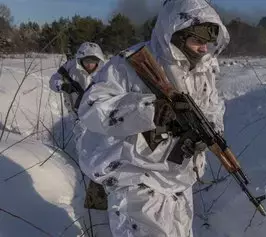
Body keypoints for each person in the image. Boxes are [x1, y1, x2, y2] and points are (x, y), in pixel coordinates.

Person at [77, 0, 230, 236]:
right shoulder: (129, 64)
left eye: (208, 42)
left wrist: (208, 133)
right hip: (137, 178)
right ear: (177, 34)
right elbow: (91, 109)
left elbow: (213, 107)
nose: (204, 49)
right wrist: (148, 110)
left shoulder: (204, 69)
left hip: (180, 180)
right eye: (198, 41)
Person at [49, 42, 105, 122]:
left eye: (93, 61)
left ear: (98, 61)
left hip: (95, 115)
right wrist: (63, 86)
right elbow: (53, 81)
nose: (89, 65)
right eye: (86, 61)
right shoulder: (70, 67)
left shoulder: (103, 71)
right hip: (75, 114)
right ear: (81, 59)